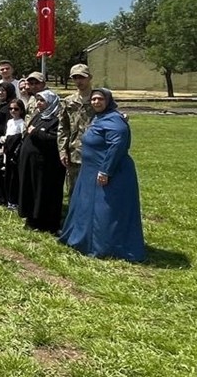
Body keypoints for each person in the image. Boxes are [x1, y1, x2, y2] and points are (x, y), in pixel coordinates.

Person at [59, 89, 146, 262]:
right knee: (86, 207)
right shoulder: (100, 117)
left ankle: (104, 245)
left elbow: (117, 146)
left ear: (108, 100)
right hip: (90, 170)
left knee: (104, 210)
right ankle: (83, 239)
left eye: (100, 99)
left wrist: (106, 170)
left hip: (108, 173)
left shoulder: (115, 121)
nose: (96, 102)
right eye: (93, 99)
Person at [18, 90, 66, 233]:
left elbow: (56, 139)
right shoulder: (38, 116)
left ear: (51, 102)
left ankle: (45, 222)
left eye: (42, 100)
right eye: (37, 100)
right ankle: (31, 218)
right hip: (31, 162)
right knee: (30, 189)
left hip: (46, 165)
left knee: (44, 192)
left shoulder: (57, 119)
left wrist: (37, 133)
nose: (38, 103)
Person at [59, 63, 96, 197]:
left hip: (95, 153)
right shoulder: (68, 101)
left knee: (94, 190)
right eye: (75, 78)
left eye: (82, 77)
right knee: (74, 191)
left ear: (89, 78)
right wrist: (62, 151)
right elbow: (63, 128)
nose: (78, 81)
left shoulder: (98, 99)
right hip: (74, 153)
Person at [2, 97, 27, 210]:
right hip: (7, 151)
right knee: (7, 175)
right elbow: (7, 135)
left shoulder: (22, 123)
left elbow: (21, 138)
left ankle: (14, 201)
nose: (13, 111)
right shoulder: (9, 122)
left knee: (14, 177)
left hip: (16, 154)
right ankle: (7, 198)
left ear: (21, 110)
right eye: (11, 109)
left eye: (16, 109)